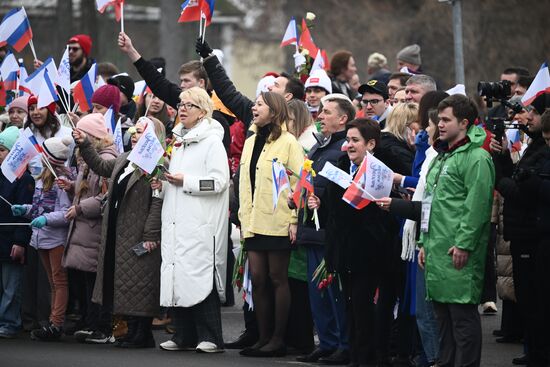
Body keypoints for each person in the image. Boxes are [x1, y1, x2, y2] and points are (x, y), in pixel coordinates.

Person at [308, 118, 396, 366]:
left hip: (369, 252)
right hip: (344, 250)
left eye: (355, 140)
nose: (349, 145)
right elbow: (333, 212)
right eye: (347, 140)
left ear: (371, 143)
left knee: (365, 307)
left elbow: (382, 215)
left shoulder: (380, 170)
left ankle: (370, 358)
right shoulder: (340, 166)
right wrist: (320, 205)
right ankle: (356, 356)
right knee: (350, 307)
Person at [72, 116, 164, 348]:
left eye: (140, 131)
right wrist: (85, 144)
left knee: (140, 283)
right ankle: (131, 331)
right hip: (117, 230)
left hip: (139, 233)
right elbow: (101, 166)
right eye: (133, 131)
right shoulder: (125, 158)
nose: (134, 135)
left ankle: (142, 333)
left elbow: (157, 202)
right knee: (125, 282)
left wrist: (151, 234)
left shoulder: (156, 164)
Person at [418, 94, 495, 367]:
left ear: (464, 123)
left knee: (462, 322)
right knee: (442, 323)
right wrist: (423, 242)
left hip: (457, 252)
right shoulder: (441, 157)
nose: (440, 124)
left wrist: (463, 244)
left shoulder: (477, 158)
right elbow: (429, 203)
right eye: (439, 119)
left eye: (446, 119)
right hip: (436, 251)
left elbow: (477, 206)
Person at [154, 87, 229, 353]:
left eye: (189, 105)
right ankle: (183, 335)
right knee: (177, 275)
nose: (182, 109)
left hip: (198, 222)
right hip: (175, 219)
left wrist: (186, 181)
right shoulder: (178, 141)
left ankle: (211, 337)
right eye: (181, 104)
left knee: (199, 277)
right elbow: (173, 181)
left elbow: (219, 182)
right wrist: (161, 185)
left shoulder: (211, 142)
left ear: (202, 111)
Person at [238, 92, 304, 357]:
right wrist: (243, 217)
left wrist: (293, 220)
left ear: (274, 110)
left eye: (260, 104)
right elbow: (244, 182)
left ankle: (278, 339)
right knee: (258, 279)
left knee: (278, 279)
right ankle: (263, 337)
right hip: (254, 221)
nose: (254, 108)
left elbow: (299, 182)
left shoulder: (289, 142)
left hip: (277, 220)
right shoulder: (251, 140)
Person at [293, 94, 355, 365]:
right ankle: (327, 343)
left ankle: (343, 343)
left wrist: (320, 198)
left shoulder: (344, 149)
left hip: (329, 231)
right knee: (317, 293)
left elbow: (342, 190)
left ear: (343, 119)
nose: (320, 116)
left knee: (334, 292)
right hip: (311, 227)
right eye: (320, 111)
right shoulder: (319, 147)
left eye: (327, 112)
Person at [491, 92, 549, 366]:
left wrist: (501, 178)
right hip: (523, 233)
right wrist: (502, 158)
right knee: (528, 297)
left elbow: (522, 192)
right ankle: (535, 350)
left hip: (532, 234)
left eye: (534, 114)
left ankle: (539, 352)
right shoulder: (536, 146)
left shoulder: (542, 150)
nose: (527, 118)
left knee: (535, 299)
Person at [118, 32, 231, 153]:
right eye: (181, 80)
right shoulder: (180, 99)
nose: (182, 85)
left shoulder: (217, 117)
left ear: (201, 83)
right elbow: (157, 81)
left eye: (187, 81)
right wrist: (131, 50)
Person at [62, 114, 119, 344]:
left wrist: (80, 208)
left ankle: (100, 325)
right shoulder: (87, 157)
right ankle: (88, 321)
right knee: (84, 279)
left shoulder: (106, 158)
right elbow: (87, 187)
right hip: (85, 227)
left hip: (94, 226)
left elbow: (105, 195)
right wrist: (71, 187)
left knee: (96, 280)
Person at [12, 136, 74, 341]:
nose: (38, 157)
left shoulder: (61, 180)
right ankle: (52, 321)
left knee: (59, 280)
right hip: (42, 237)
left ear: (50, 158)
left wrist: (45, 219)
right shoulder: (42, 178)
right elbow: (39, 208)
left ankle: (56, 323)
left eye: (43, 154)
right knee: (52, 282)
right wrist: (25, 210)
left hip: (55, 238)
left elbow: (65, 213)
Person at [0, 127, 35, 339]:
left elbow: (25, 212)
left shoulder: (25, 179)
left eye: (3, 150)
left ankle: (10, 322)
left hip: (12, 238)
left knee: (11, 286)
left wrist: (20, 241)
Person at [376, 102, 418, 175]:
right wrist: (417, 150)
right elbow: (417, 177)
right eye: (418, 122)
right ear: (404, 124)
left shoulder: (382, 140)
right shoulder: (398, 152)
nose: (423, 127)